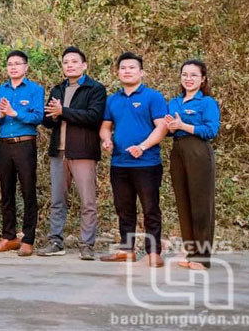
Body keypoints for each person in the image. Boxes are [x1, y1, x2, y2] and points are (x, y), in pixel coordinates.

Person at [37, 46, 107, 260]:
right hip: (59, 151)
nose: (69, 65)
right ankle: (55, 241)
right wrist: (52, 115)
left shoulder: (95, 89)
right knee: (58, 199)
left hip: (83, 151)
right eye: (66, 62)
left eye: (74, 61)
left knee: (88, 201)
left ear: (84, 65)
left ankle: (87, 244)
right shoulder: (57, 89)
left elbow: (94, 117)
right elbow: (48, 121)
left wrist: (63, 112)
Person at [99, 51, 168, 268]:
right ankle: (126, 249)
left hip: (147, 163)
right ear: (117, 72)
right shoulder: (113, 100)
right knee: (124, 208)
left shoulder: (153, 97)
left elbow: (162, 127)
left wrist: (143, 146)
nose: (127, 71)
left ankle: (153, 251)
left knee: (150, 208)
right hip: (119, 164)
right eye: (123, 68)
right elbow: (105, 127)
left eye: (131, 68)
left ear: (141, 72)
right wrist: (107, 141)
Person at [0, 50, 45, 257]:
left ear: (26, 67)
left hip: (25, 145)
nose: (13, 67)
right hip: (4, 145)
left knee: (28, 191)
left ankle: (28, 239)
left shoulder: (35, 90)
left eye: (17, 64)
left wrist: (15, 113)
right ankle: (9, 237)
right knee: (6, 191)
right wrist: (2, 115)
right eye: (10, 64)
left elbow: (38, 116)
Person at [165, 59, 220, 270]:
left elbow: (211, 130)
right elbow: (170, 128)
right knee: (183, 202)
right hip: (178, 152)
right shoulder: (174, 102)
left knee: (201, 205)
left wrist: (182, 125)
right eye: (185, 74)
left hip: (198, 152)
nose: (188, 79)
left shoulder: (207, 103)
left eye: (194, 75)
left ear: (203, 78)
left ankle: (203, 257)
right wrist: (171, 128)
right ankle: (190, 251)